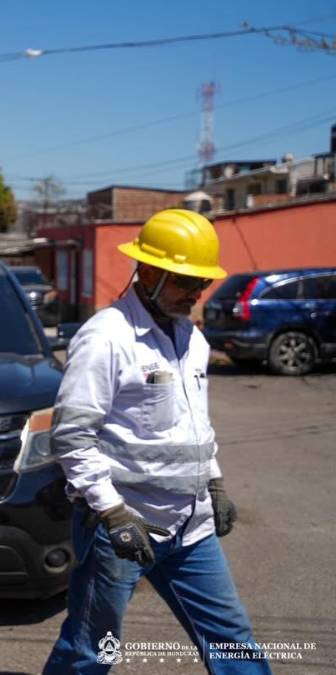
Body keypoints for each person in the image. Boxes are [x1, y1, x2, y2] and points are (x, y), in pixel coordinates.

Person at [42, 209, 268, 674]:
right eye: (186, 281)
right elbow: (72, 437)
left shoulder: (192, 339)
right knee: (91, 649)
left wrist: (216, 484)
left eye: (201, 283)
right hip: (122, 525)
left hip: (190, 526)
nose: (196, 293)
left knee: (233, 641)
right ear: (148, 271)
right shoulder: (106, 338)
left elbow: (195, 426)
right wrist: (112, 512)